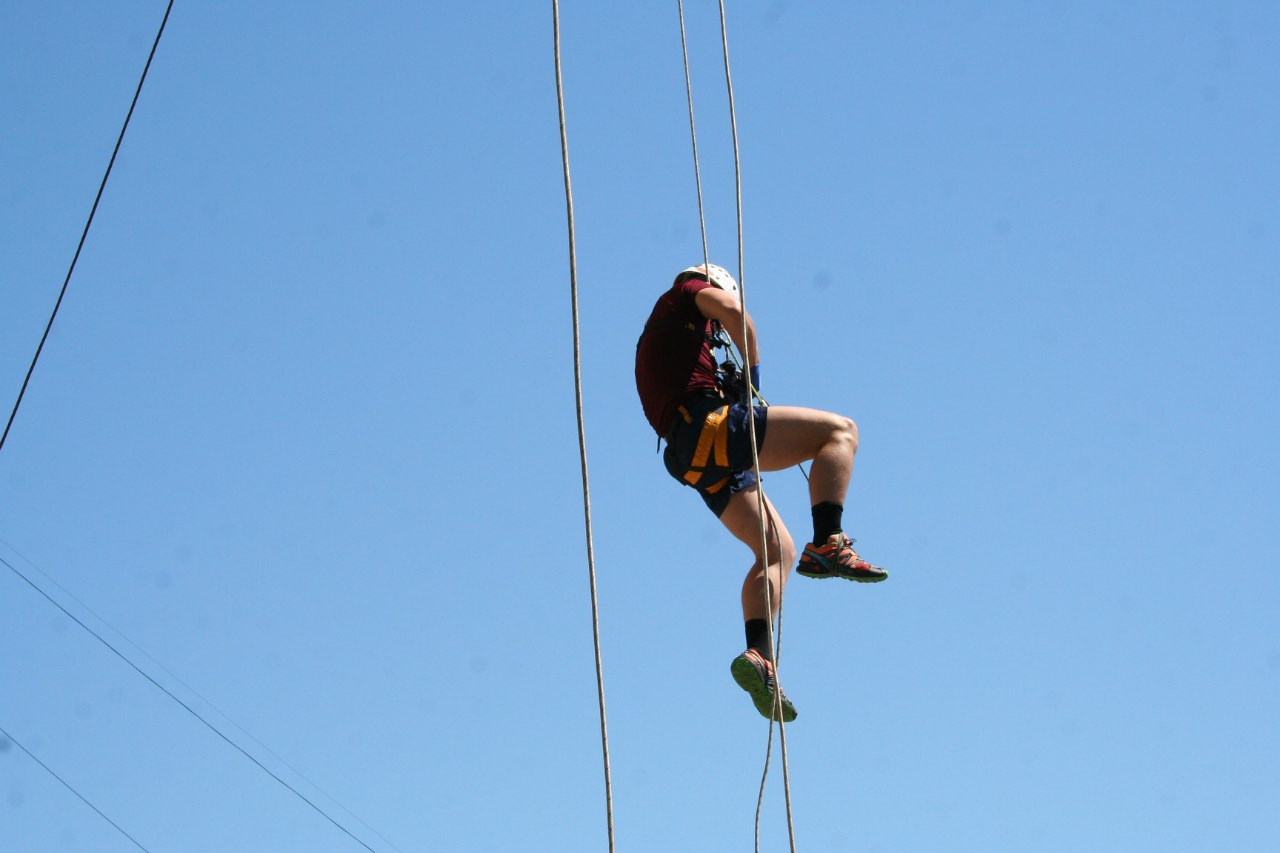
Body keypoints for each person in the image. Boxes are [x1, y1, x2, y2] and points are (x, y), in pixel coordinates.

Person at [634, 263, 887, 722]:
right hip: (707, 430)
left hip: (694, 456)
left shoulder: (669, 340)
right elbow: (736, 315)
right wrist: (752, 381)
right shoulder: (688, 292)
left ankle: (758, 655)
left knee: (777, 550)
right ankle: (829, 541)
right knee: (840, 432)